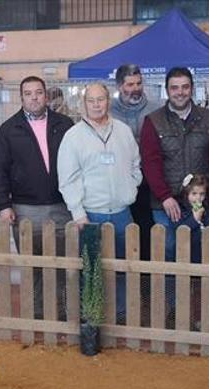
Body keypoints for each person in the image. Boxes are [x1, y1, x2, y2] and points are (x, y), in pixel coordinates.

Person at [140, 67, 209, 318]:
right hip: (165, 207)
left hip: (201, 204)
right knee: (169, 258)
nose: (180, 92)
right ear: (167, 90)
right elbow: (150, 162)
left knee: (202, 256)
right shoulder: (153, 121)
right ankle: (172, 309)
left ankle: (202, 312)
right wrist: (165, 196)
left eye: (184, 87)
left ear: (192, 88)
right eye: (174, 87)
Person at [0, 76, 75, 319]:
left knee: (62, 264)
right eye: (28, 93)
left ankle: (61, 313)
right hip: (25, 208)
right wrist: (3, 205)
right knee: (33, 265)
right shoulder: (9, 129)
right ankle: (37, 314)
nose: (34, 97)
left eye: (39, 92)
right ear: (22, 97)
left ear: (46, 96)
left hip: (61, 207)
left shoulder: (65, 124)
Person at [58, 83, 142, 322]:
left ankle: (123, 314)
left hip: (122, 213)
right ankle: (93, 318)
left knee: (124, 268)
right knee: (92, 271)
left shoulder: (124, 131)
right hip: (91, 215)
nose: (96, 104)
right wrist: (78, 213)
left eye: (101, 99)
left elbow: (136, 164)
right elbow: (68, 178)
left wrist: (131, 186)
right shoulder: (73, 137)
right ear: (83, 105)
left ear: (108, 101)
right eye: (91, 100)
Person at [110, 63, 155, 263]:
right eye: (129, 84)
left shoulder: (155, 110)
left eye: (138, 83)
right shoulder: (108, 112)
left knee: (147, 229)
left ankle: (145, 277)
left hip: (149, 182)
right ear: (120, 86)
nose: (135, 88)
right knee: (121, 233)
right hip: (118, 182)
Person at [175, 173, 209, 264]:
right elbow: (180, 230)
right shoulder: (181, 211)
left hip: (206, 253)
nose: (198, 198)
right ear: (186, 194)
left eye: (202, 194)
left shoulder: (206, 208)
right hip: (187, 254)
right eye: (194, 194)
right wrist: (195, 219)